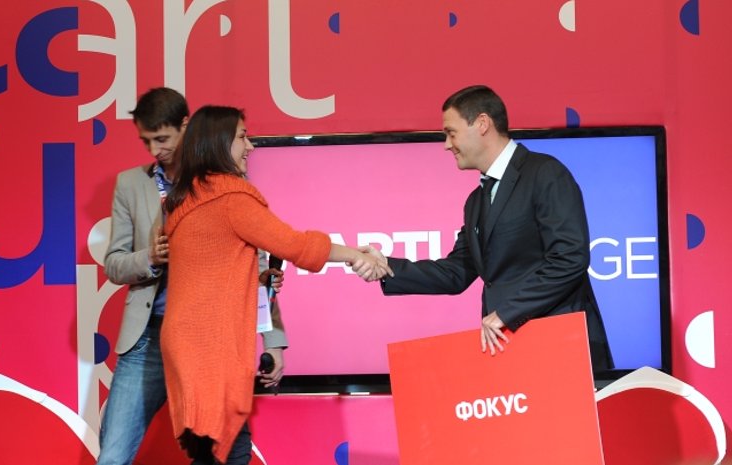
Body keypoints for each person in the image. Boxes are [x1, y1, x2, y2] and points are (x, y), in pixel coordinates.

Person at [161, 105, 391, 464]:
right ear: (219, 142)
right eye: (242, 137)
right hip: (206, 344)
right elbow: (295, 245)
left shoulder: (187, 198)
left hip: (189, 341)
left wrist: (255, 279)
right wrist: (353, 253)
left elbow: (211, 270)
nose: (250, 146)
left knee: (218, 447)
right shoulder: (229, 198)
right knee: (222, 449)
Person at [99, 88, 288, 465]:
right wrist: (150, 258)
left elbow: (257, 267)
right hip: (148, 339)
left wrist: (274, 339)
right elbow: (114, 264)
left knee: (223, 451)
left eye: (162, 138)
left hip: (209, 340)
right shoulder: (131, 184)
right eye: (146, 141)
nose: (154, 150)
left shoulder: (225, 182)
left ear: (186, 126)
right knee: (113, 455)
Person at [370, 85, 612, 371]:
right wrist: (384, 266)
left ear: (482, 123)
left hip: (560, 349)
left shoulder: (545, 173)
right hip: (511, 350)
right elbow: (456, 272)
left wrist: (507, 313)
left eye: (451, 133)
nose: (446, 145)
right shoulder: (476, 201)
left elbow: (570, 258)